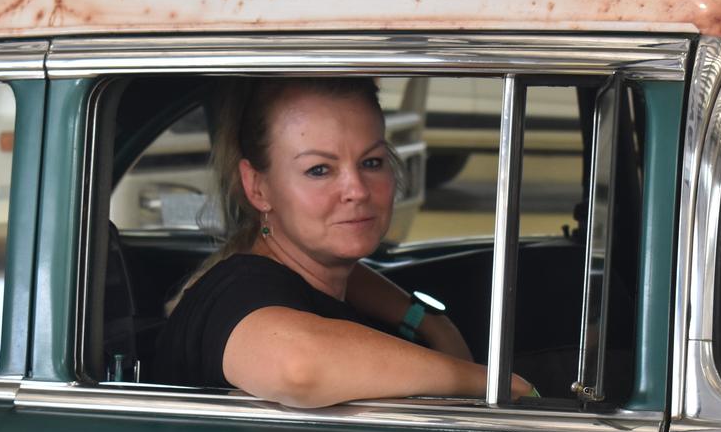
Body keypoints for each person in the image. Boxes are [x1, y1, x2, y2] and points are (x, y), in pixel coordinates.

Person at [151, 77, 534, 407]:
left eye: (371, 162)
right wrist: (499, 386)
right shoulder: (236, 290)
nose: (357, 190)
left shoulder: (319, 274)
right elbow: (298, 368)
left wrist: (433, 324)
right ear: (258, 187)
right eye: (319, 169)